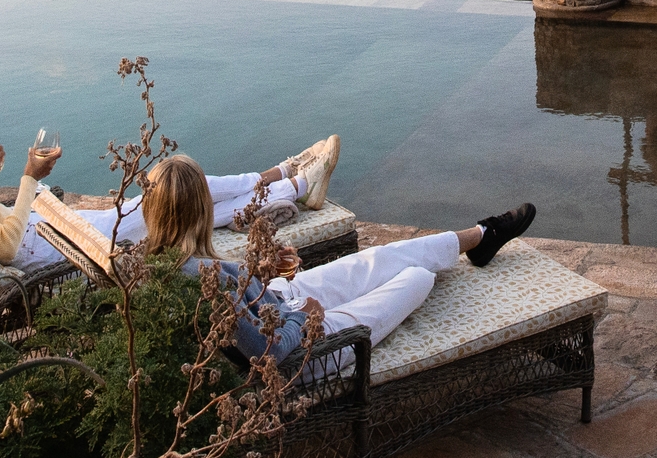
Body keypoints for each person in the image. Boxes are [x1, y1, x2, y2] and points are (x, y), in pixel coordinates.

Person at [0, 85, 340, 271]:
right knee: (165, 197)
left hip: (44, 231)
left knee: (161, 203)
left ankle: (277, 184)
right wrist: (30, 178)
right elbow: (4, 246)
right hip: (45, 247)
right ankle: (292, 181)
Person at [141, 155, 536, 362]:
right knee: (417, 277)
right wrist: (302, 315)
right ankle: (482, 236)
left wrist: (257, 276)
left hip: (278, 301)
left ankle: (484, 235)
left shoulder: (152, 266)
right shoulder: (206, 278)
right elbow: (270, 352)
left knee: (376, 260)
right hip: (305, 349)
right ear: (203, 212)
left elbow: (237, 314)